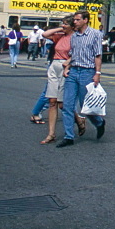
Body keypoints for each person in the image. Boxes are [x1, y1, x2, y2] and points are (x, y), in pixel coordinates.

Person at [56, 11, 105, 147]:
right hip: (74, 71)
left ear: (86, 20)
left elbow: (98, 55)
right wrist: (67, 67)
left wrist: (97, 73)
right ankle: (68, 136)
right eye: (74, 20)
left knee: (86, 105)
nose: (75, 22)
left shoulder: (95, 34)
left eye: (77, 20)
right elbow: (73, 54)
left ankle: (99, 122)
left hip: (87, 71)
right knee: (67, 105)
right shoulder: (74, 36)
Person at [40, 16, 78, 144]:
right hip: (54, 66)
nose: (63, 26)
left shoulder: (76, 38)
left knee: (62, 104)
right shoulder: (60, 36)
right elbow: (45, 34)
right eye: (62, 23)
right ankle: (51, 134)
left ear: (72, 26)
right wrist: (59, 29)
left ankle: (78, 120)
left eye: (65, 24)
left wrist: (68, 62)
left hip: (65, 67)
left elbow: (77, 54)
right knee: (52, 101)